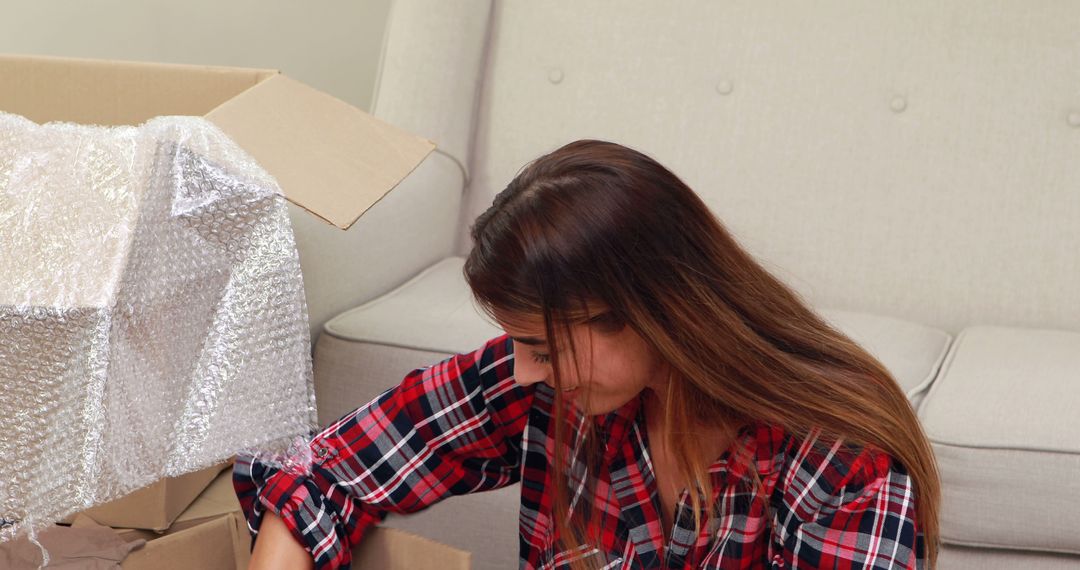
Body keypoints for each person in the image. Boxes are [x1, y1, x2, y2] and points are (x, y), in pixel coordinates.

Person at [234, 139, 940, 569]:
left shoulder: (839, 459)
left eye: (541, 346)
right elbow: (322, 470)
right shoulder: (550, 388)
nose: (521, 371)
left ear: (650, 315)